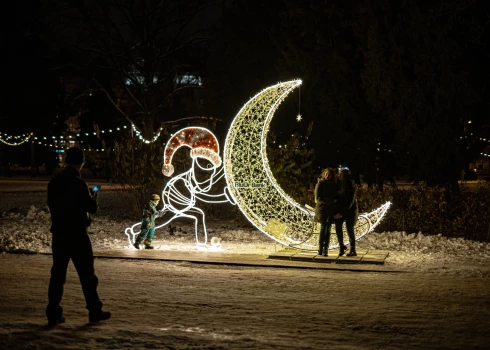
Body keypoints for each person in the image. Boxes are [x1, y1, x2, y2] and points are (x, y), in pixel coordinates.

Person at [46, 147, 111, 327]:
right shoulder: (78, 183)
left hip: (59, 233)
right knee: (87, 275)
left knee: (58, 275)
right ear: (81, 162)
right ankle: (94, 310)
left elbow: (51, 203)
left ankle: (53, 312)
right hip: (76, 234)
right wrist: (93, 196)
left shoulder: (55, 181)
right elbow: (91, 208)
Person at [334, 166, 359, 256]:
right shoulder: (337, 183)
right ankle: (341, 246)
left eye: (342, 174)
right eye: (340, 174)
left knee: (350, 230)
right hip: (339, 210)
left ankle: (353, 249)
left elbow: (351, 200)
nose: (340, 175)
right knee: (338, 229)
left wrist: (342, 211)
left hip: (348, 211)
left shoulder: (350, 184)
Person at [314, 168, 338, 256]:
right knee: (323, 228)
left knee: (328, 229)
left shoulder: (333, 185)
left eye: (330, 175)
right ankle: (320, 248)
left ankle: (325, 248)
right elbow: (317, 198)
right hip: (322, 209)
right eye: (326, 174)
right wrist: (330, 201)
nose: (328, 176)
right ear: (324, 174)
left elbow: (336, 196)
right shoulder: (320, 183)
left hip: (330, 209)